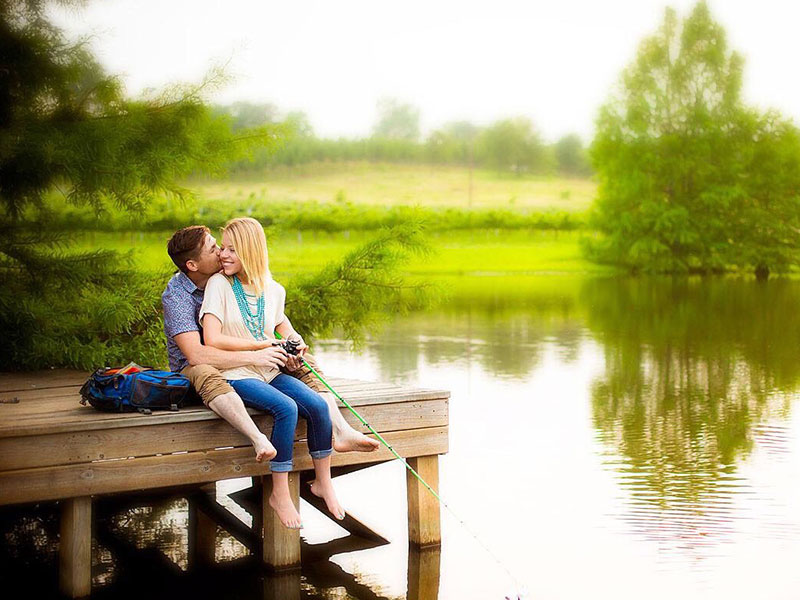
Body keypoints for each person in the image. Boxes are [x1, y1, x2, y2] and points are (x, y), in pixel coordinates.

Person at [161, 226, 379, 466]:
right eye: (214, 249)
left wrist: (293, 341)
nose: (222, 252)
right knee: (208, 372)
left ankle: (341, 429)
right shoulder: (177, 296)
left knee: (305, 361)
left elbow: (276, 318)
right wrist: (257, 353)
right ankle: (257, 438)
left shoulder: (229, 276)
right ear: (193, 265)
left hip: (242, 354)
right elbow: (197, 354)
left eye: (222, 247)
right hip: (197, 365)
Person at [198, 217, 347, 529]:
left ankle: (323, 483)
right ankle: (279, 492)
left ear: (251, 252)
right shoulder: (219, 285)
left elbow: (282, 332)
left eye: (232, 250)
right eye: (223, 249)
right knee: (286, 407)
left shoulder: (274, 290)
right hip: (236, 373)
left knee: (319, 407)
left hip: (267, 369)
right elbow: (211, 338)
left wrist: (292, 348)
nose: (223, 255)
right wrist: (260, 345)